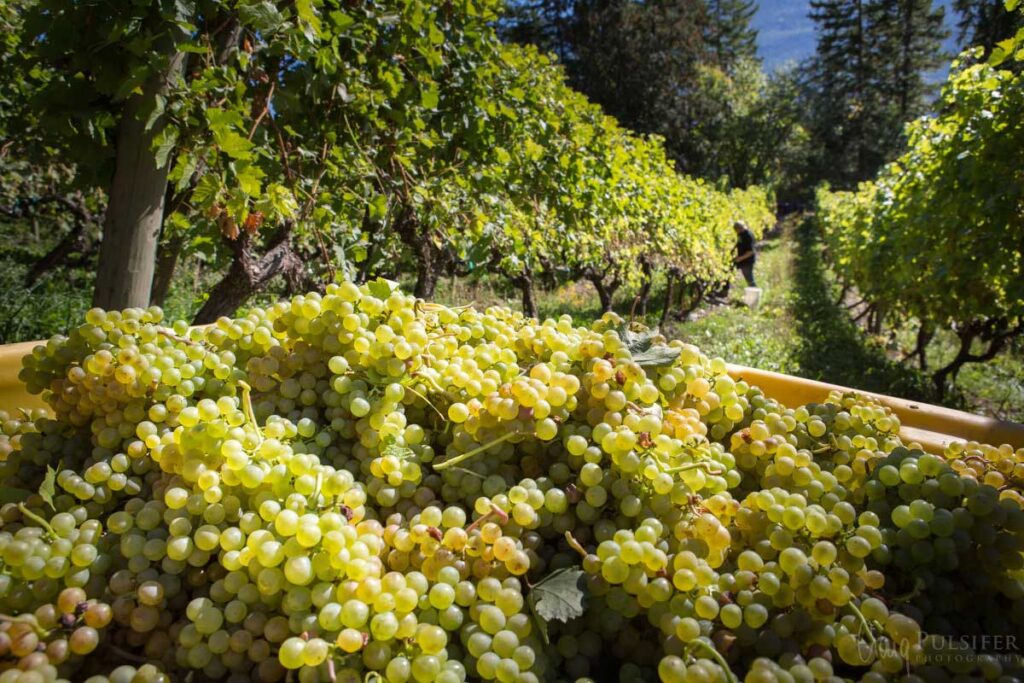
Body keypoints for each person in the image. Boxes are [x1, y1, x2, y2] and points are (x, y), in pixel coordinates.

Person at [733, 220, 756, 288]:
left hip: (747, 261)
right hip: (742, 259)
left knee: (749, 279)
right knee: (728, 271)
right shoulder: (741, 234)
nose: (736, 232)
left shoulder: (748, 236)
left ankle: (754, 294)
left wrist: (739, 259)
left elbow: (751, 252)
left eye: (736, 230)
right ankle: (724, 290)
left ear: (739, 229)